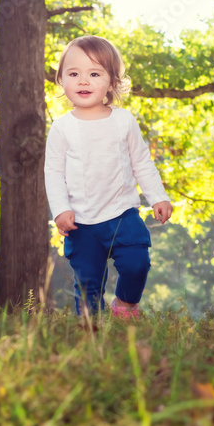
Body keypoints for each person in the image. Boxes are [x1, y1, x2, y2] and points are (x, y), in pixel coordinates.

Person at [44, 35, 174, 318]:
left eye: (94, 73)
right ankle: (90, 330)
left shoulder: (123, 120)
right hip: (82, 222)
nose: (83, 81)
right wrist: (61, 210)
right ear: (61, 80)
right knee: (88, 283)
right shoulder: (62, 128)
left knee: (136, 263)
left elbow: (141, 161)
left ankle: (125, 307)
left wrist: (158, 197)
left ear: (112, 82)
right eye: (74, 74)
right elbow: (53, 172)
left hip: (122, 213)